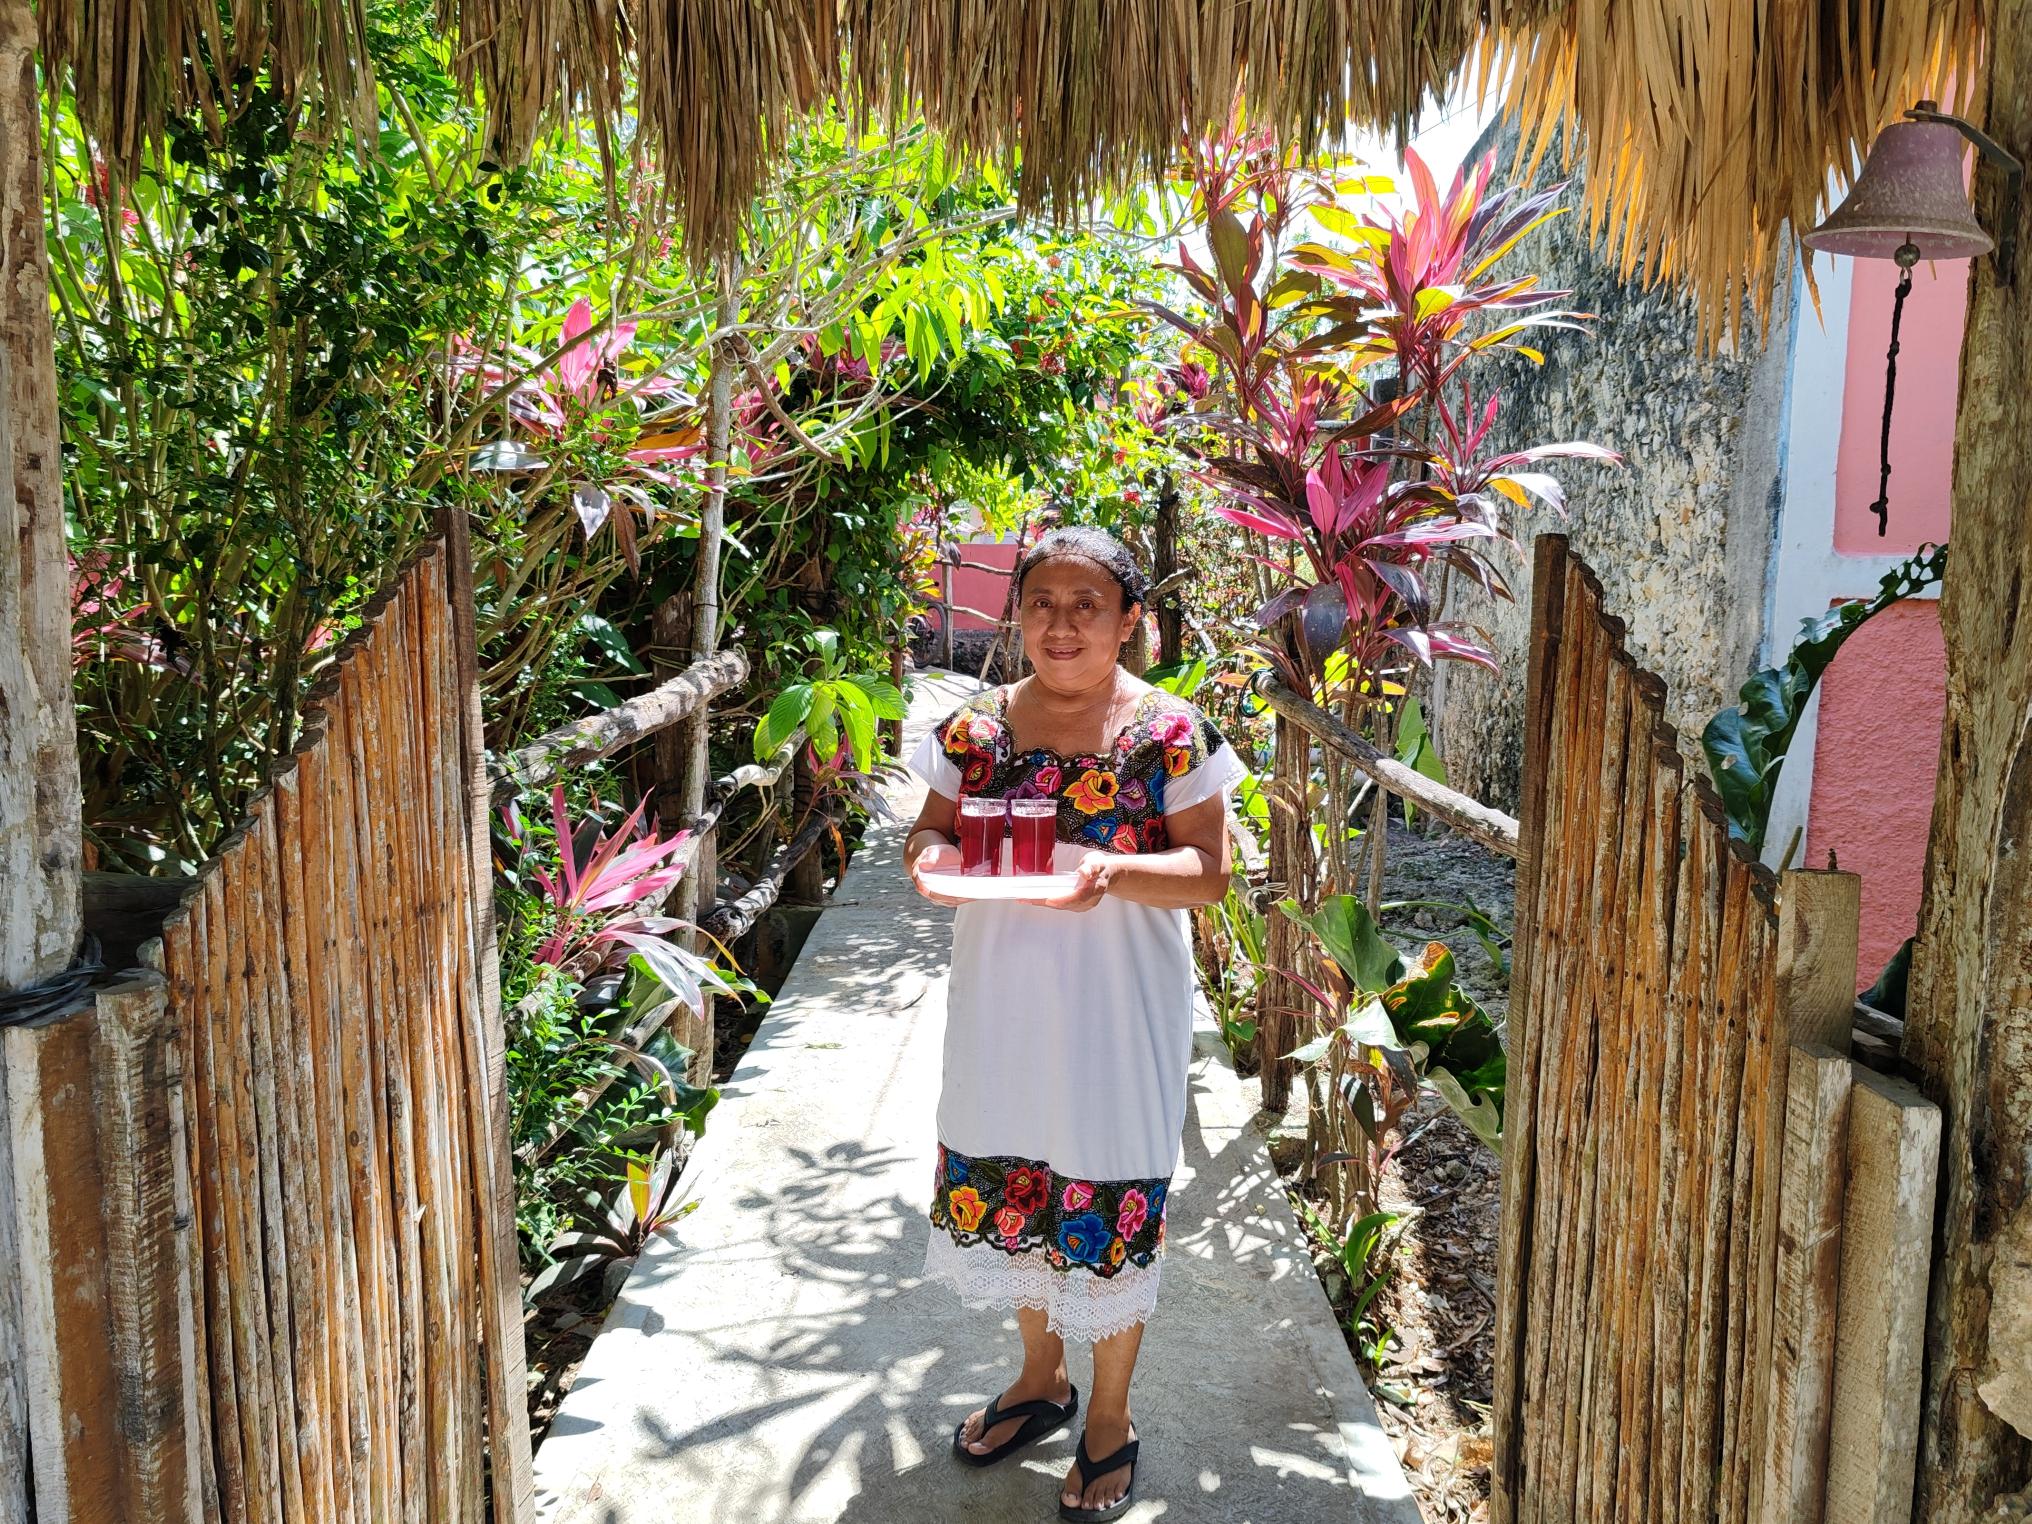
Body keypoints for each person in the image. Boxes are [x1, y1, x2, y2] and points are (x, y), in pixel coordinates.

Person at [903, 526, 1247, 1521]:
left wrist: (1113, 871)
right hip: (999, 1010)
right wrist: (929, 864)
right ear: (1018, 615)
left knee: (1106, 1187)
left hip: (1119, 1016)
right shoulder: (973, 731)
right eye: (1041, 603)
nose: (1061, 625)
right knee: (1016, 1187)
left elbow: (1209, 873)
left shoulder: (1174, 733)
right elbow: (929, 831)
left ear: (1129, 618)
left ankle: (1108, 1415)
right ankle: (1040, 1378)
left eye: (1086, 605)